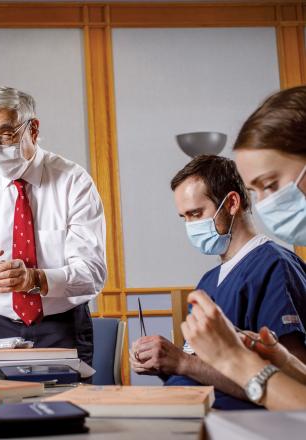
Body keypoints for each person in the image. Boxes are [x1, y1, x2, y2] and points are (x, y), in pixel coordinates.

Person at [0, 86, 106, 366]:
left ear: (34, 129)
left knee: (64, 406)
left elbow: (92, 273)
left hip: (61, 326)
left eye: (6, 136)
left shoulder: (73, 182)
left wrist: (35, 279)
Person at [130, 154, 306, 410]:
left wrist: (182, 363)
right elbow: (199, 367)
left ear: (232, 203)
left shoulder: (275, 266)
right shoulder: (208, 281)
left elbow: (293, 385)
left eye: (196, 213)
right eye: (184, 218)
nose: (190, 225)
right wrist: (162, 361)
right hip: (184, 409)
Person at [182, 85, 306, 410]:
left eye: (271, 185)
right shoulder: (212, 278)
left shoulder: (274, 265)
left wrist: (235, 361)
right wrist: (282, 362)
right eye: (257, 190)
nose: (265, 205)